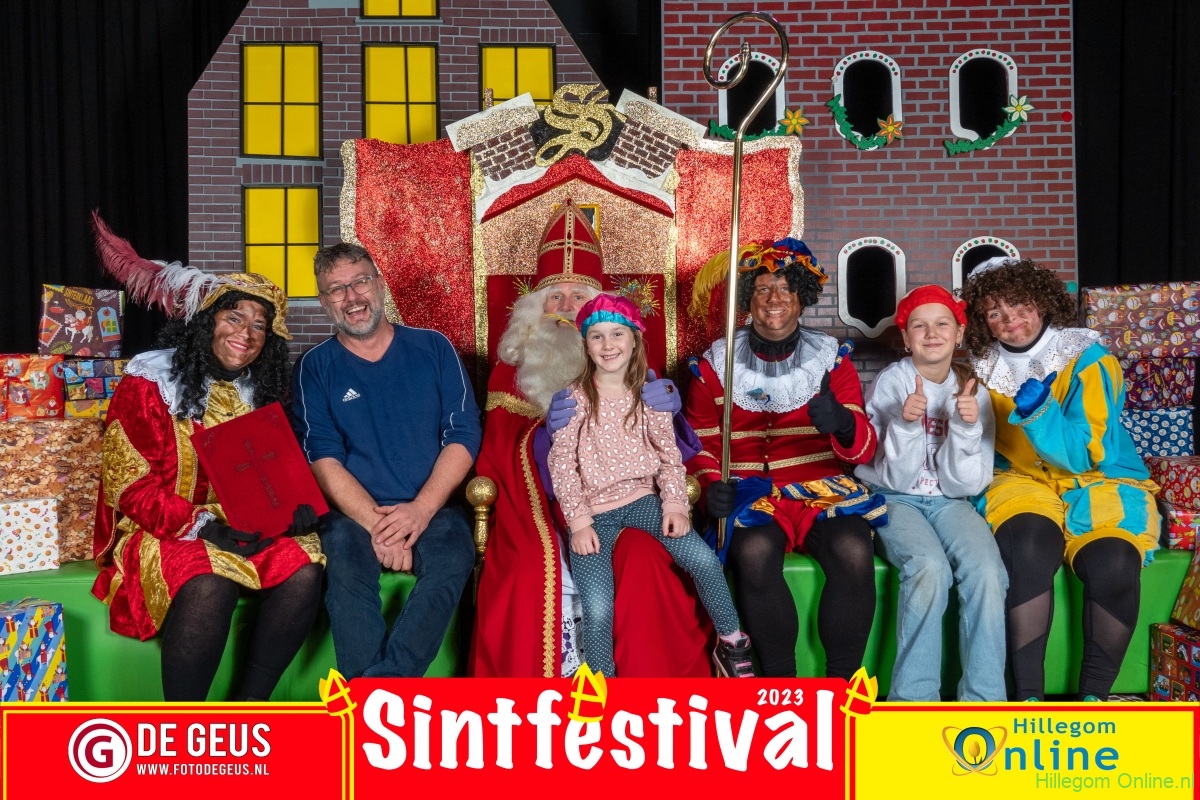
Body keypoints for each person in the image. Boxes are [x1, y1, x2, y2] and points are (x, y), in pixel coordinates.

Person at [469, 199, 715, 678]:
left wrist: (670, 413)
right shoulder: (508, 372)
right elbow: (496, 454)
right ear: (533, 310)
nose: (565, 307)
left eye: (578, 296)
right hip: (537, 510)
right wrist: (543, 434)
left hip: (627, 501)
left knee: (645, 560)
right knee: (524, 570)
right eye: (554, 297)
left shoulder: (632, 365)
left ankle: (649, 688)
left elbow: (669, 451)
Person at [90, 217, 325, 701]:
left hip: (244, 526)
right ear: (207, 321)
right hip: (165, 529)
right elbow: (128, 485)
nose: (246, 333)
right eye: (234, 317)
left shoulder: (263, 393)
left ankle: (248, 708)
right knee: (209, 581)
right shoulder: (149, 383)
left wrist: (294, 508)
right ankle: (187, 725)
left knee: (305, 568)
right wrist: (202, 526)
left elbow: (275, 473)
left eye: (259, 325)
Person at [961, 257, 1160, 701]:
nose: (1011, 320)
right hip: (1019, 479)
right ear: (982, 322)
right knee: (1027, 549)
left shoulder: (1089, 360)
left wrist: (1040, 411)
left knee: (1113, 562)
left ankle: (1094, 700)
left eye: (1020, 306)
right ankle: (1027, 698)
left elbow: (1083, 453)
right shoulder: (981, 369)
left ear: (1041, 302)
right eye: (995, 313)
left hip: (1101, 478)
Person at [685, 238, 883, 679]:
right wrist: (709, 487)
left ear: (801, 298)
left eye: (785, 289)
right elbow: (698, 443)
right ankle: (780, 684)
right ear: (747, 299)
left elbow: (865, 447)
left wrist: (843, 423)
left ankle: (842, 685)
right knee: (753, 551)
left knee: (854, 549)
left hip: (821, 488)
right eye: (762, 289)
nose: (774, 299)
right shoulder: (715, 364)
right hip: (747, 491)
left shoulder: (832, 361)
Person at [292, 242, 481, 678]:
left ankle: (379, 689)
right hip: (353, 514)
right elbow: (322, 457)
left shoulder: (434, 347)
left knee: (454, 556)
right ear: (324, 302)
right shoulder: (314, 367)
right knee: (344, 565)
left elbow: (463, 434)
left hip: (432, 506)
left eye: (360, 282)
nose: (351, 297)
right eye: (336, 289)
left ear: (379, 284)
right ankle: (374, 698)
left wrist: (420, 511)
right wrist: (380, 526)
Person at [548, 294, 754, 678]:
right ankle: (601, 683)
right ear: (586, 345)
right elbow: (562, 465)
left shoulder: (649, 395)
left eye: (617, 334)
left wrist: (674, 505)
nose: (608, 344)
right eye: (597, 336)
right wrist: (579, 523)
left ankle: (731, 642)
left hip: (643, 500)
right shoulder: (575, 400)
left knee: (703, 560)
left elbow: (669, 457)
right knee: (597, 606)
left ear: (634, 340)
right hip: (594, 512)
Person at [855, 284, 1007, 701]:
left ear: (959, 334)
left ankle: (984, 700)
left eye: (943, 324)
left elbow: (966, 484)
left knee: (988, 572)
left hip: (951, 501)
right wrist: (905, 425)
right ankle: (914, 700)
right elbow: (896, 477)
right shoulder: (892, 383)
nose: (932, 333)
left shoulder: (973, 391)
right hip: (893, 496)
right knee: (929, 568)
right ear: (906, 338)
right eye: (919, 326)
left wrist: (966, 428)